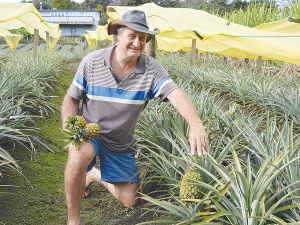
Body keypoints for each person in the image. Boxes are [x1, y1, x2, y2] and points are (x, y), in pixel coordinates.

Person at [61, 9, 209, 225]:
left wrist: (195, 124)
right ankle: (73, 219)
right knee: (77, 156)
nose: (137, 43)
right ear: (119, 35)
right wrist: (69, 125)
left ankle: (93, 175)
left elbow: (175, 93)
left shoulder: (151, 69)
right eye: (132, 36)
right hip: (90, 135)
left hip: (121, 142)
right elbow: (71, 99)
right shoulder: (92, 61)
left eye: (142, 38)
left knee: (130, 200)